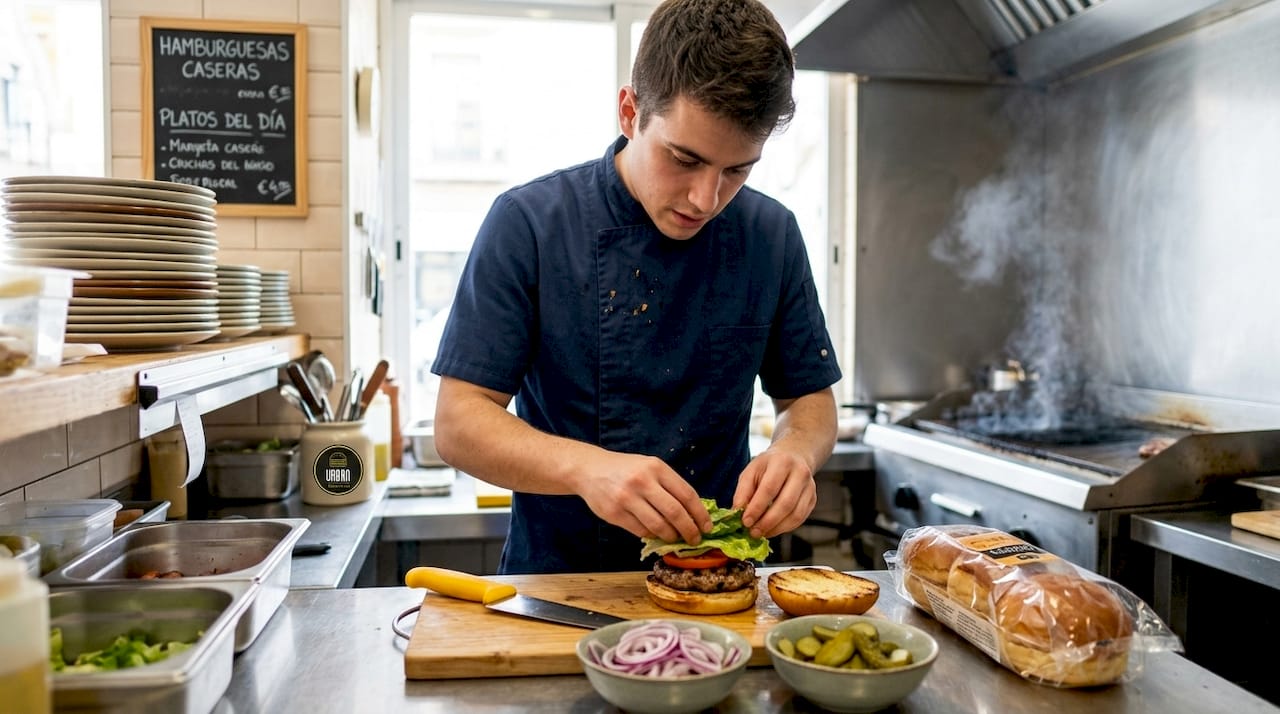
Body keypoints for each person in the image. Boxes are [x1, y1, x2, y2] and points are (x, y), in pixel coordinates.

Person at [431, 0, 841, 574]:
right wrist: (587, 468)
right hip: (560, 586)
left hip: (717, 581)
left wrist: (795, 451)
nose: (706, 198)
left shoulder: (770, 233)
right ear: (630, 112)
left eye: (737, 170)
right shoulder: (529, 222)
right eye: (684, 159)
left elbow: (808, 399)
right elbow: (457, 423)